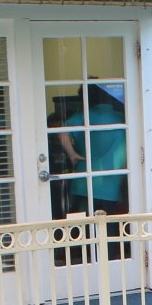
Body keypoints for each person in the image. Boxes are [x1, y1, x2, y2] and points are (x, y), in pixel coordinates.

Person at [58, 83, 129, 217]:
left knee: (81, 229)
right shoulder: (121, 117)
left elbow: (61, 133)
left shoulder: (83, 116)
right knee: (109, 229)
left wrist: (72, 155)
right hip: (111, 185)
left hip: (83, 182)